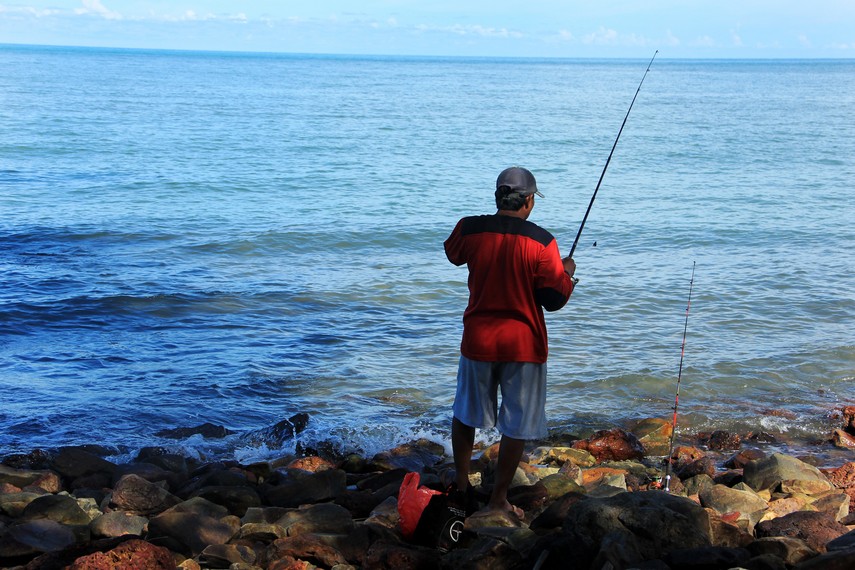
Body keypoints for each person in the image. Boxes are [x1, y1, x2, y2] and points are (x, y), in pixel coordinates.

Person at [444, 166, 576, 518]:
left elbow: (453, 253)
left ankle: (460, 483)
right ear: (529, 202)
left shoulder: (469, 228)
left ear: (497, 197)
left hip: (478, 339)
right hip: (524, 344)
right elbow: (553, 298)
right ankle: (498, 498)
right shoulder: (543, 242)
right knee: (517, 422)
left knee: (465, 413)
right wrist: (567, 275)